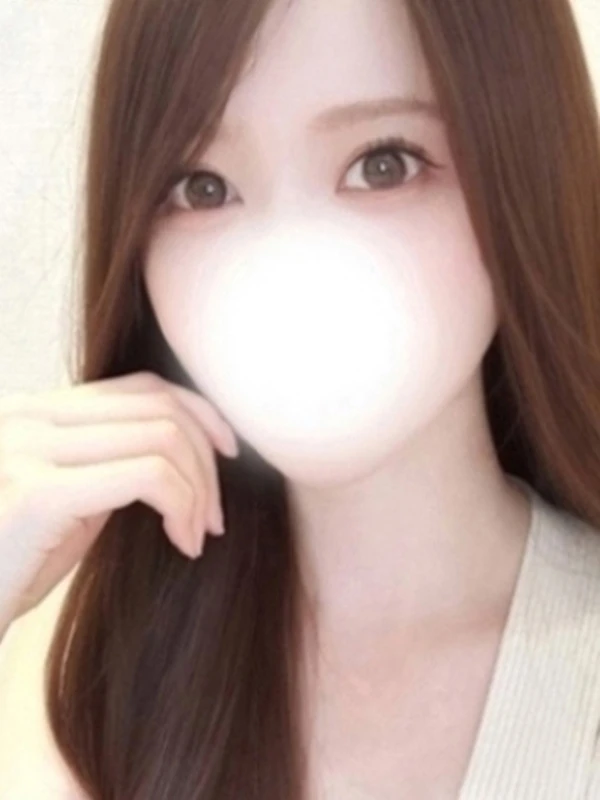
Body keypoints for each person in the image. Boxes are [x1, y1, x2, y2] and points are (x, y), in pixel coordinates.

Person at [1, 0, 600, 797]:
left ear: (524, 171)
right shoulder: (71, 666)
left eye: (383, 164)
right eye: (203, 187)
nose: (285, 269)